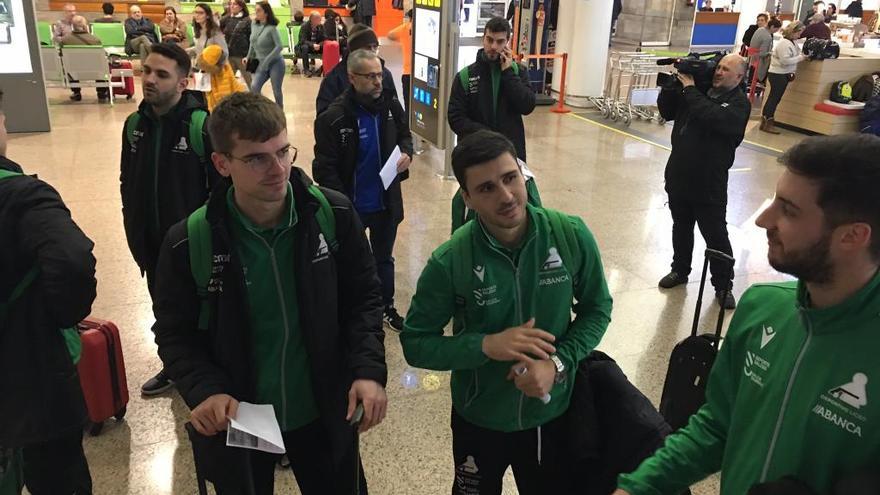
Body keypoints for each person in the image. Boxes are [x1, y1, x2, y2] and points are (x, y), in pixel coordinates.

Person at [614, 133, 880, 495]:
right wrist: (638, 487)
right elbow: (717, 426)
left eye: (788, 209)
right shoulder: (761, 306)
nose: (763, 219)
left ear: (852, 236)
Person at [154, 91, 388, 495]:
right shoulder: (191, 241)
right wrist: (206, 390)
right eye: (257, 158)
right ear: (222, 163)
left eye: (283, 151)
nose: (278, 168)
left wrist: (367, 370)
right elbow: (176, 332)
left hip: (320, 406)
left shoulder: (333, 216)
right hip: (245, 415)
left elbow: (364, 299)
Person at [400, 129, 613, 495]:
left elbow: (598, 309)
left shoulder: (569, 235)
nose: (506, 196)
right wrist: (485, 346)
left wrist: (557, 364)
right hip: (479, 419)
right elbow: (416, 344)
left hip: (551, 414)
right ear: (466, 197)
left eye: (510, 178)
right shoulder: (450, 261)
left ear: (522, 174)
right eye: (486, 188)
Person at [0, 88, 97, 495]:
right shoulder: (22, 196)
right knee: (56, 473)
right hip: (31, 378)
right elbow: (73, 260)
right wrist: (60, 318)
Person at [120, 42, 219, 396]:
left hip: (193, 245)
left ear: (183, 82)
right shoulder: (133, 126)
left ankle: (211, 370)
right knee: (165, 309)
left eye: (162, 75)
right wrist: (133, 230)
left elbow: (221, 189)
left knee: (204, 311)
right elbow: (126, 181)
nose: (150, 80)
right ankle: (175, 365)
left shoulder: (200, 126)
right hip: (150, 244)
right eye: (147, 71)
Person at [313, 49, 413, 331]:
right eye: (370, 77)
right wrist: (341, 206)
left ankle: (387, 307)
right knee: (352, 263)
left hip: (385, 203)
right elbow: (325, 169)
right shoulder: (333, 117)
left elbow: (406, 136)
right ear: (352, 78)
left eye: (380, 74)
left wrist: (407, 153)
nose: (378, 81)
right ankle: (354, 311)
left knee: (384, 259)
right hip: (352, 208)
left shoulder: (391, 107)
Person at [656, 54, 750, 309]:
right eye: (718, 67)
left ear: (739, 76)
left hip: (709, 182)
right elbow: (667, 111)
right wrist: (673, 85)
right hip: (679, 174)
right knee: (681, 226)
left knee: (716, 235)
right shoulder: (697, 91)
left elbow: (713, 117)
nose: (719, 72)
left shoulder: (739, 104)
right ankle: (680, 270)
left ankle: (723, 286)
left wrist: (689, 89)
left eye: (726, 69)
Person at [448, 16, 536, 162]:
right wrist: (487, 135)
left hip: (510, 153)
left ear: (507, 42)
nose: (494, 46)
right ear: (483, 39)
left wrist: (508, 74)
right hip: (476, 152)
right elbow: (455, 118)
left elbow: (527, 106)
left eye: (500, 41)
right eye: (490, 40)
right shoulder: (465, 76)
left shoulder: (517, 72)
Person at [316, 25, 398, 115]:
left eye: (375, 47)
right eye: (367, 47)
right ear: (353, 50)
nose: (372, 51)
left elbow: (396, 113)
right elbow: (324, 120)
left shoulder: (385, 74)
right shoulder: (334, 79)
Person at [761, 21, 806, 134]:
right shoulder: (784, 43)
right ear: (793, 31)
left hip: (781, 74)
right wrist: (801, 58)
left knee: (774, 98)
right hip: (778, 74)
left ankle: (765, 121)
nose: (800, 35)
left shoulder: (791, 42)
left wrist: (801, 56)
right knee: (774, 99)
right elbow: (785, 61)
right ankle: (767, 122)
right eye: (799, 32)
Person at [59, 15, 110, 102]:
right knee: (100, 64)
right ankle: (101, 91)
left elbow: (61, 55)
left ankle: (76, 92)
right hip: (94, 71)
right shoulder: (95, 40)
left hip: (73, 72)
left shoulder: (65, 40)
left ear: (73, 26)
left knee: (70, 64)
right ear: (85, 26)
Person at [245, 1, 285, 107]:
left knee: (276, 90)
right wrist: (248, 57)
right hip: (261, 63)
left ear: (266, 13)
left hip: (276, 63)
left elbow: (279, 46)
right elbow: (252, 43)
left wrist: (267, 60)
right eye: (255, 10)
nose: (256, 13)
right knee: (254, 87)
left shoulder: (271, 28)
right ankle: (263, 108)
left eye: (259, 10)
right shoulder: (254, 24)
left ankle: (280, 112)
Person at [197, 44, 247, 111]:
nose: (204, 70)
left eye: (206, 68)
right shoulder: (220, 69)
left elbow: (222, 99)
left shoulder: (223, 76)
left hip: (225, 110)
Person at [220, 0, 252, 88]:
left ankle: (257, 99)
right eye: (231, 4)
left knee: (250, 82)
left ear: (241, 7)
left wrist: (249, 55)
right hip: (229, 55)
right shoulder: (226, 19)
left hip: (242, 56)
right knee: (227, 83)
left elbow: (252, 39)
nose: (232, 6)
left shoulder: (247, 20)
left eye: (235, 4)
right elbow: (217, 28)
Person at [387, 9, 412, 119]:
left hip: (408, 73)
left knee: (408, 107)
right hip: (422, 76)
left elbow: (390, 35)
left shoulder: (405, 28)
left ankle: (408, 132)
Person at [749, 17, 782, 85]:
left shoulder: (760, 29)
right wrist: (771, 53)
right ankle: (764, 84)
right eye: (777, 29)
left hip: (751, 58)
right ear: (772, 27)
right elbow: (763, 54)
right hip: (758, 61)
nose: (776, 31)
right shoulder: (767, 37)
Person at [296, 11, 325, 77]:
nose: (320, 20)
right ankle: (306, 70)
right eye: (319, 19)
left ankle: (322, 68)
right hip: (307, 47)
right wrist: (312, 45)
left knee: (327, 47)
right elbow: (302, 40)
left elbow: (324, 39)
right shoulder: (305, 26)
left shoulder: (321, 27)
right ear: (313, 19)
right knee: (304, 47)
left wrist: (319, 45)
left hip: (317, 46)